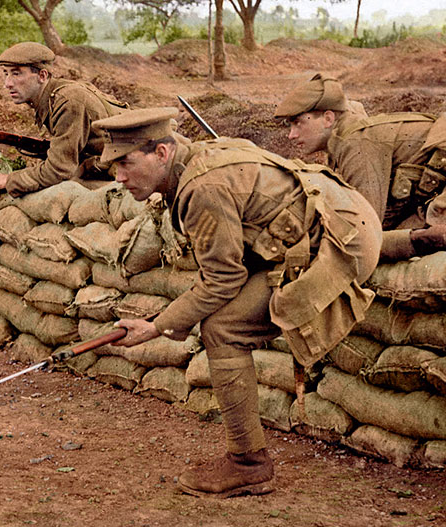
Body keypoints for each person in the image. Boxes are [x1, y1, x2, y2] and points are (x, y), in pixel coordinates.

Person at [92, 108, 382, 498]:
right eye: (114, 166)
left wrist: (157, 325)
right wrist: (170, 317)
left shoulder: (202, 188)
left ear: (162, 153)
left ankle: (249, 464)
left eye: (125, 163)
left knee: (223, 328)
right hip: (340, 216)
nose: (119, 178)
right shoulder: (200, 159)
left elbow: (222, 280)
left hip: (341, 239)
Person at [275, 73, 446, 260]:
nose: (291, 135)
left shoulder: (356, 142)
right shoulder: (341, 141)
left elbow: (366, 229)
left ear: (328, 119)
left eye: (298, 123)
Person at [0, 41, 128, 196]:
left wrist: (9, 180)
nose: (7, 83)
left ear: (42, 76)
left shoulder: (68, 101)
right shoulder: (54, 96)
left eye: (16, 73)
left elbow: (59, 170)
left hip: (128, 166)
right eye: (6, 73)